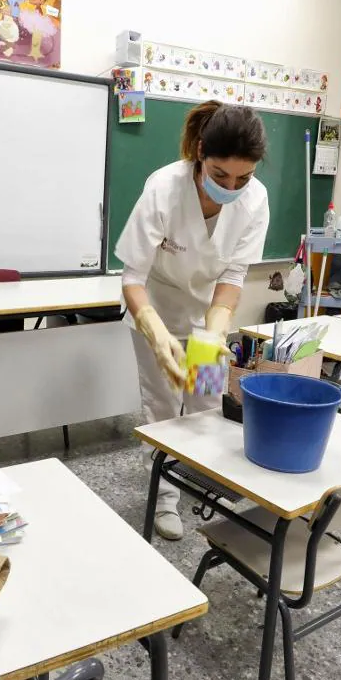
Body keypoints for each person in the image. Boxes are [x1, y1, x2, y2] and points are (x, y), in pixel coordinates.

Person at [115, 100, 269, 540]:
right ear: (200, 152)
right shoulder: (164, 188)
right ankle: (164, 497)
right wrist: (157, 332)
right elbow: (133, 276)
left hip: (207, 319)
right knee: (162, 407)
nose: (231, 186)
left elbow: (235, 274)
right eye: (220, 175)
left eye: (244, 177)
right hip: (154, 314)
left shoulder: (255, 200)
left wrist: (217, 328)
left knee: (203, 402)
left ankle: (199, 485)